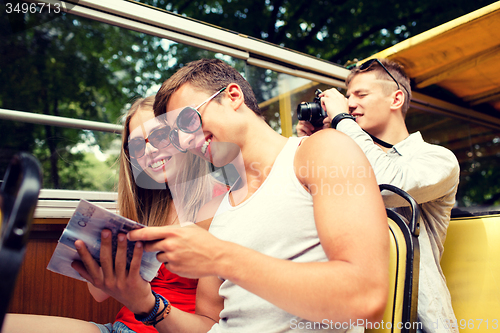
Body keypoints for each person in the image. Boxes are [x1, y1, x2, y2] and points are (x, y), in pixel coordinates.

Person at [80, 58, 391, 333]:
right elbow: (209, 324)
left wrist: (219, 256)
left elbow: (366, 297)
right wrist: (146, 304)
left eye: (188, 119)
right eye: (177, 133)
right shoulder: (222, 206)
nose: (186, 140)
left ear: (232, 96)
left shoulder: (321, 150)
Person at [3, 96, 227, 333]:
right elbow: (98, 295)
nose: (149, 150)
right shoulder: (147, 206)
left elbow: (209, 326)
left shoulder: (220, 205)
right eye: (138, 145)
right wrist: (98, 256)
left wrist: (148, 304)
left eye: (160, 136)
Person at [297, 58, 460, 333]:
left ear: (396, 99)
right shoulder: (341, 154)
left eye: (361, 95)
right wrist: (312, 145)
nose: (349, 104)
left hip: (416, 321)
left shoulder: (438, 158)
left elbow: (387, 183)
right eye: (347, 97)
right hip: (349, 317)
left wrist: (342, 122)